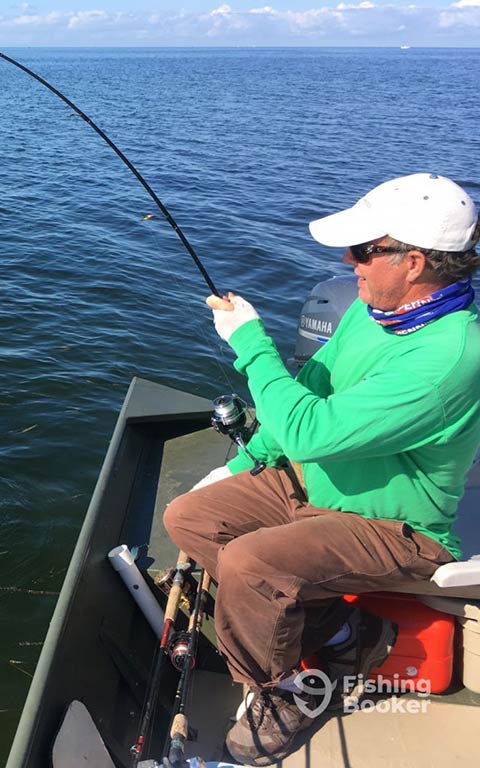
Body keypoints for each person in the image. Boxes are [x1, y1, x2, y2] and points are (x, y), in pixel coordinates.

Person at [163, 173, 480, 766]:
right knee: (189, 518)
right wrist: (244, 460)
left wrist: (251, 343)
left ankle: (283, 693)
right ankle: (345, 635)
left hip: (395, 527)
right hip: (315, 485)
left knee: (251, 562)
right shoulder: (372, 311)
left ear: (413, 263)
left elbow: (311, 429)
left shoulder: (451, 357)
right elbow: (308, 392)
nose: (348, 260)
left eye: (364, 250)